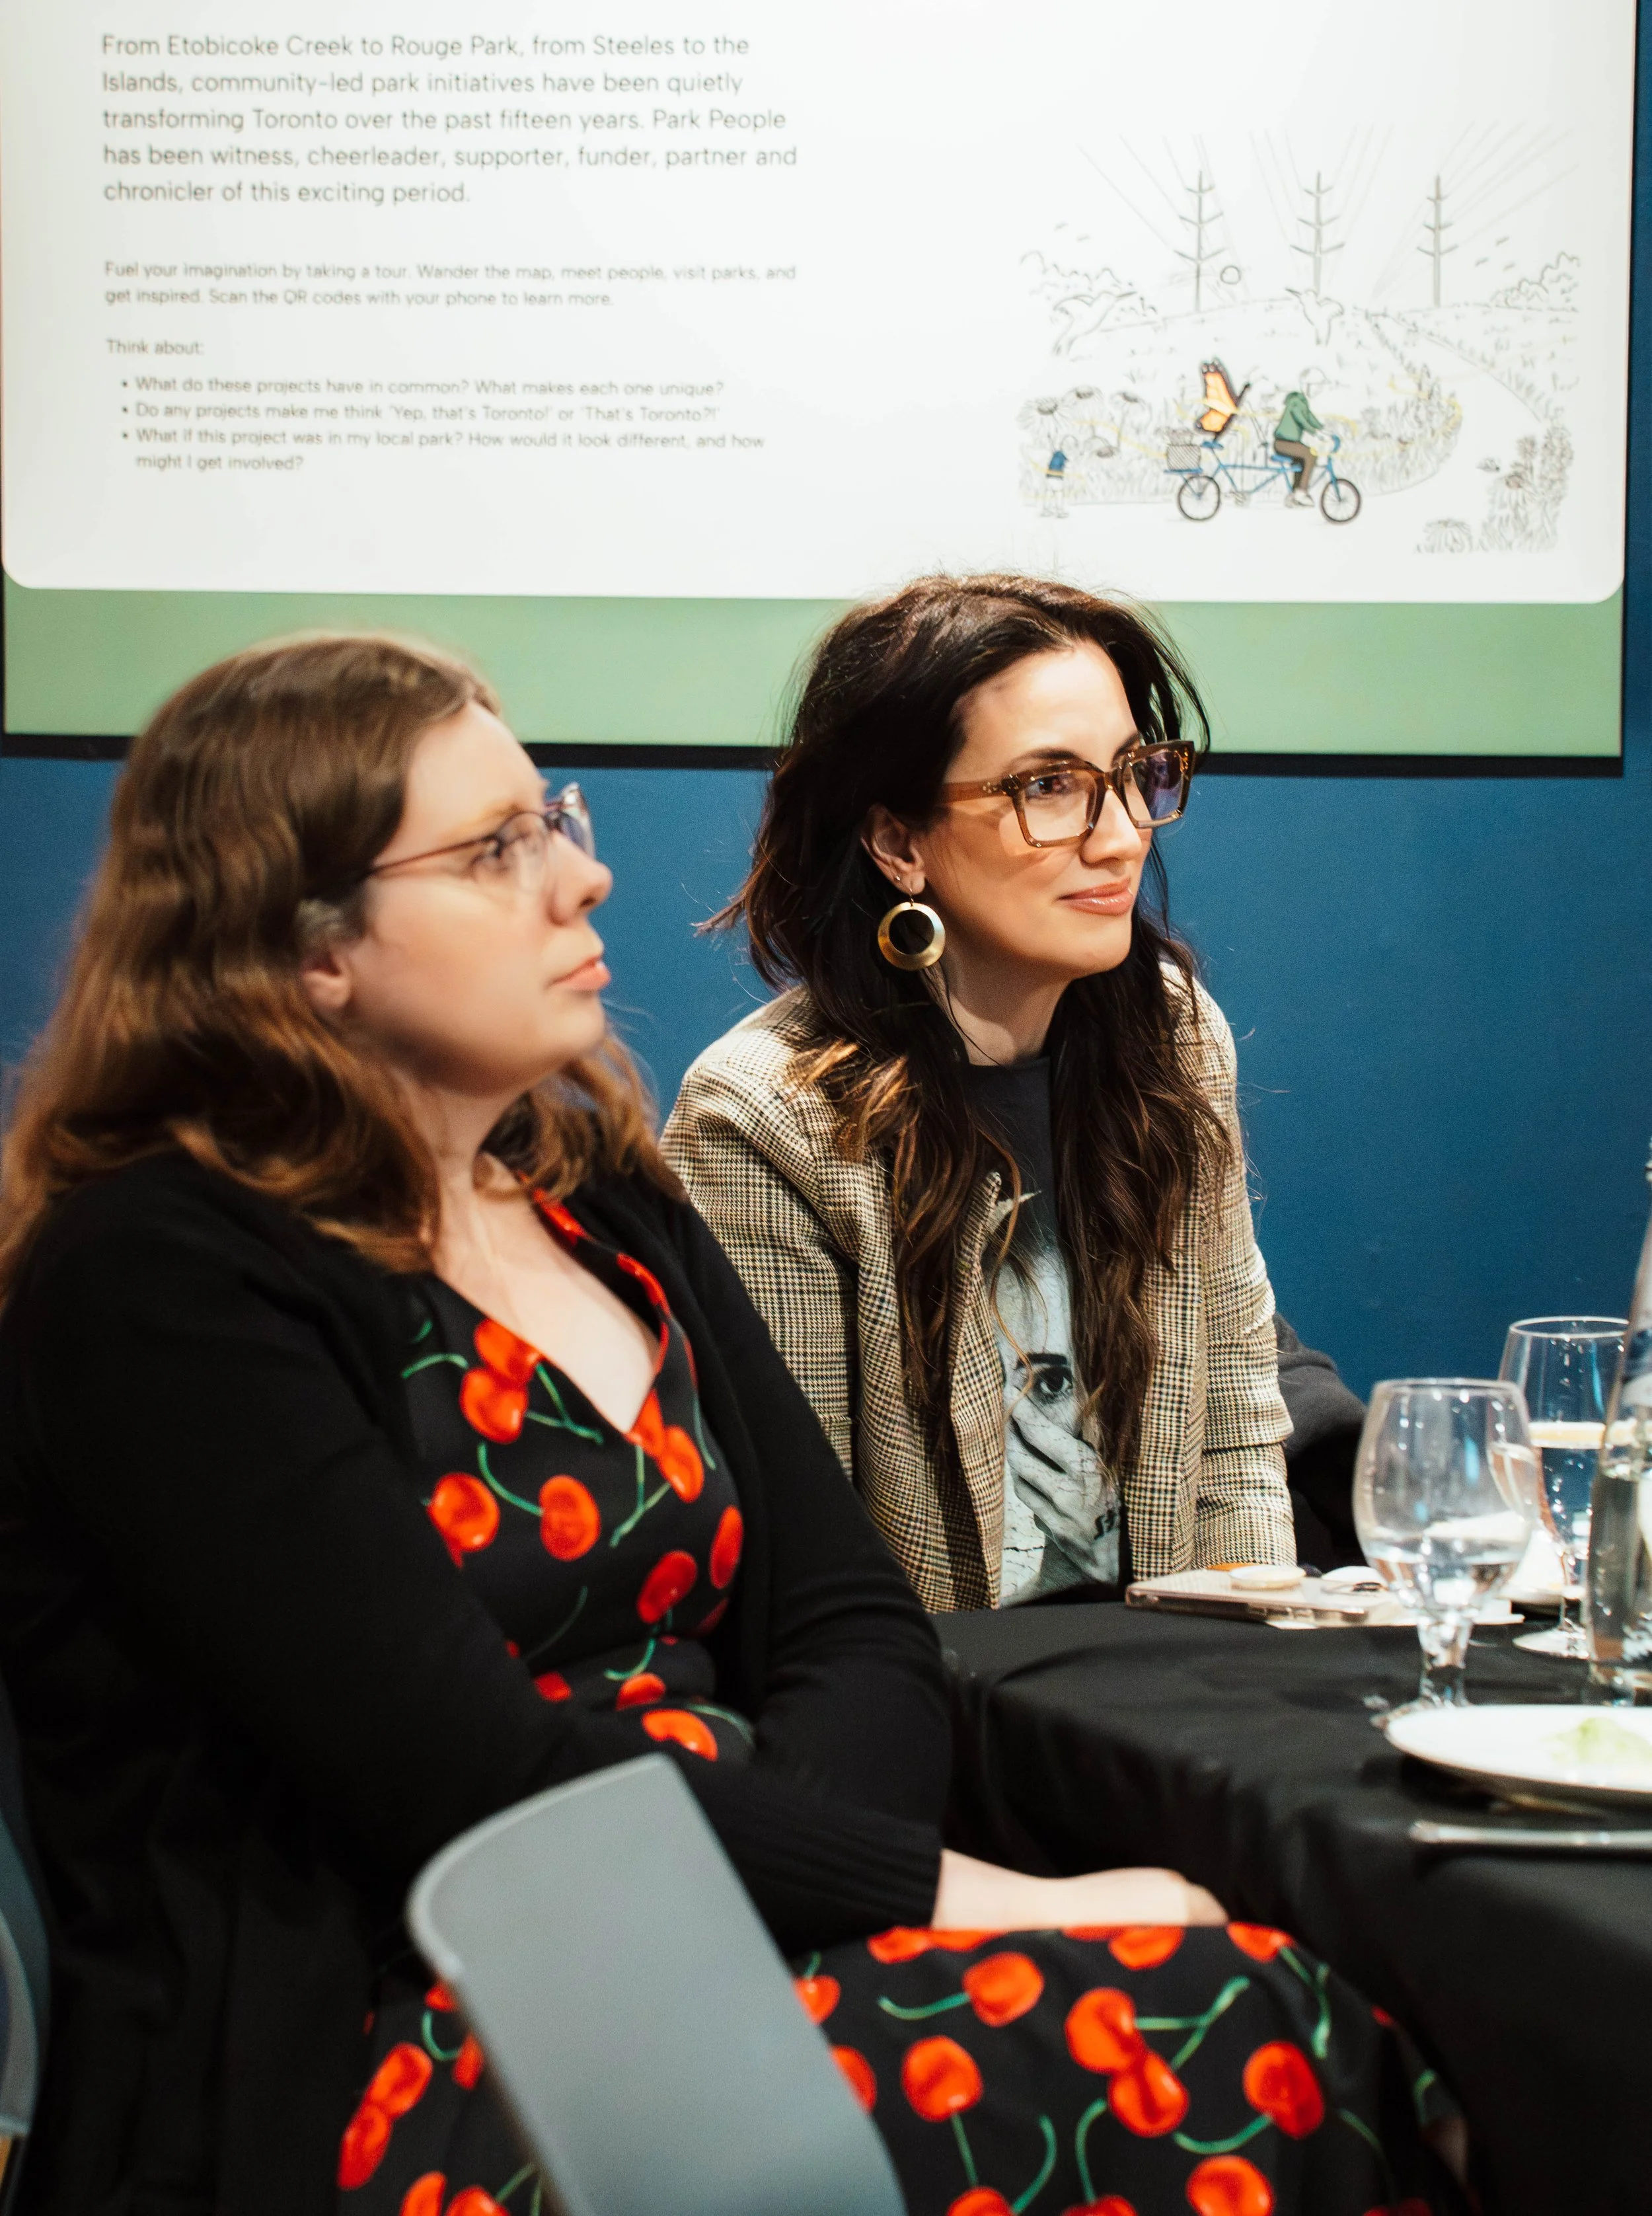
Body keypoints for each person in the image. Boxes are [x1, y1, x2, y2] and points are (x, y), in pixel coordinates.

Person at [0, 636, 1450, 2216]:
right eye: (495, 851)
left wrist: (814, 1890)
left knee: (1353, 2006)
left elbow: (856, 1627)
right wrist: (953, 1895)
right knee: (1254, 2038)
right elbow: (474, 1777)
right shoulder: (158, 1279)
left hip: (740, 1930)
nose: (583, 879)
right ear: (306, 947)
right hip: (403, 2047)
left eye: (551, 819)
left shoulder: (595, 1195)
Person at [664, 575, 1296, 1612]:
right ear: (897, 842)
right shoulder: (763, 1118)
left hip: (1172, 1702)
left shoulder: (1174, 1036)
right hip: (945, 1716)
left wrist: (1254, 1680)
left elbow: (1234, 1427)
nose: (1123, 831)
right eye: (1048, 787)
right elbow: (801, 1556)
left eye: (1136, 773)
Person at [1272, 375, 1324, 506]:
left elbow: (1310, 417)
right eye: (1317, 387)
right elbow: (1300, 418)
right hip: (1284, 443)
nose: (1319, 390)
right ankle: (1301, 492)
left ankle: (1295, 494)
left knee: (1301, 461)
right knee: (1311, 455)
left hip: (1289, 443)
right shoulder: (1296, 402)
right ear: (1308, 386)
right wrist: (1315, 432)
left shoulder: (1303, 403)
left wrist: (1323, 429)